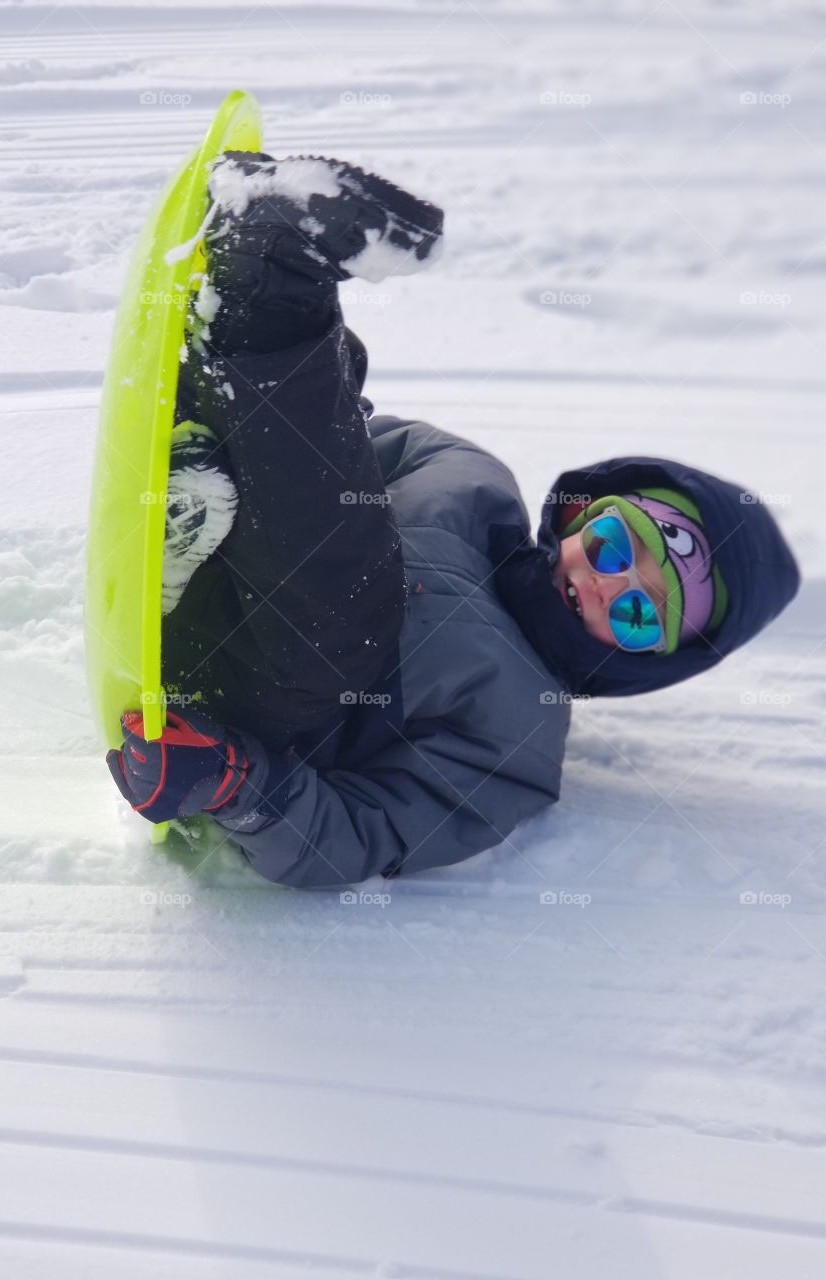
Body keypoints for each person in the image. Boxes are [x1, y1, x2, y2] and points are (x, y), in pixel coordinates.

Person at [106, 152, 801, 888]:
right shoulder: (470, 481)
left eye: (636, 612)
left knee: (352, 614)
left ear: (643, 660)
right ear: (582, 516)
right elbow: (331, 444)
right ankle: (233, 324)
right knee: (342, 407)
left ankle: (266, 287)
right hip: (235, 551)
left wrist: (235, 787)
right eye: (611, 544)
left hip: (244, 696)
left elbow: (362, 832)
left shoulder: (517, 735)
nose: (603, 586)